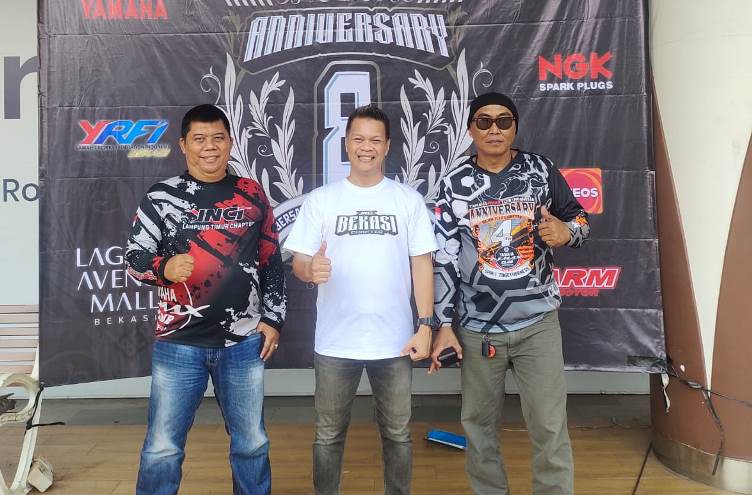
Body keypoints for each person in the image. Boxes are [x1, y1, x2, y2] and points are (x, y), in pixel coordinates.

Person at [429, 92, 590, 495]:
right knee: (479, 429)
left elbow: (580, 219)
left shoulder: (541, 169)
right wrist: (443, 325)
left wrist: (567, 232)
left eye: (504, 121)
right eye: (484, 121)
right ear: (471, 129)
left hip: (538, 324)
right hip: (478, 328)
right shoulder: (453, 183)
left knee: (549, 427)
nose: (494, 129)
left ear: (515, 127)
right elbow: (444, 258)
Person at [125, 104, 286, 495]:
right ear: (183, 145)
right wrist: (164, 267)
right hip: (179, 342)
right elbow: (133, 258)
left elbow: (270, 257)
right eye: (199, 139)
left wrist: (273, 318)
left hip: (243, 342)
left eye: (218, 138)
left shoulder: (252, 193)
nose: (209, 147)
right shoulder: (162, 196)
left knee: (251, 442)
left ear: (230, 142)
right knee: (163, 446)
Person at [284, 104, 438, 495]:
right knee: (328, 435)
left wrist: (425, 325)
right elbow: (300, 261)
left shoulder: (407, 200)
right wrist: (309, 269)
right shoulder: (322, 200)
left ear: (387, 146)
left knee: (398, 434)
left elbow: (422, 265)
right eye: (358, 139)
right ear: (346, 144)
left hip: (395, 341)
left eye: (374, 140)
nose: (365, 147)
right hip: (336, 342)